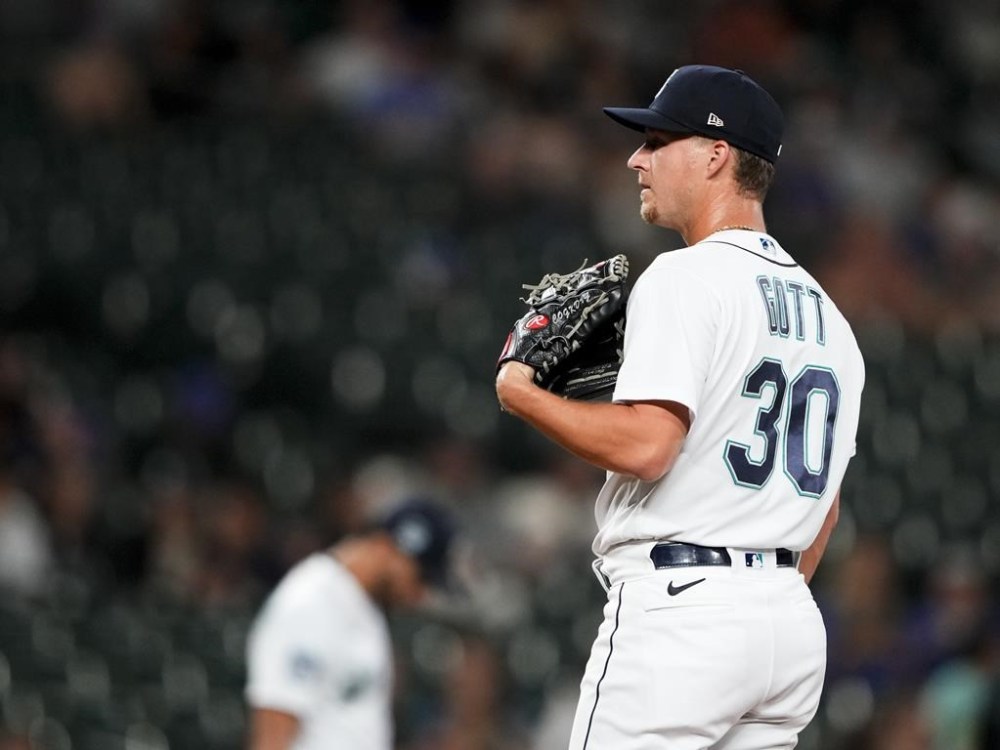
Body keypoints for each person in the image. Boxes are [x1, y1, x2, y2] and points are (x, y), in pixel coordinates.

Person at [495, 64, 865, 749]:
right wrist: (760, 596)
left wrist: (519, 391)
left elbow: (646, 446)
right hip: (787, 623)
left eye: (658, 140)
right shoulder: (833, 320)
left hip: (685, 615)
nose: (637, 157)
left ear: (716, 154)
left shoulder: (686, 275)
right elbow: (827, 513)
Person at [244, 497, 456, 750]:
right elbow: (273, 731)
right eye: (421, 577)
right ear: (387, 547)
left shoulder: (363, 604)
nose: (421, 595)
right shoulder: (309, 603)